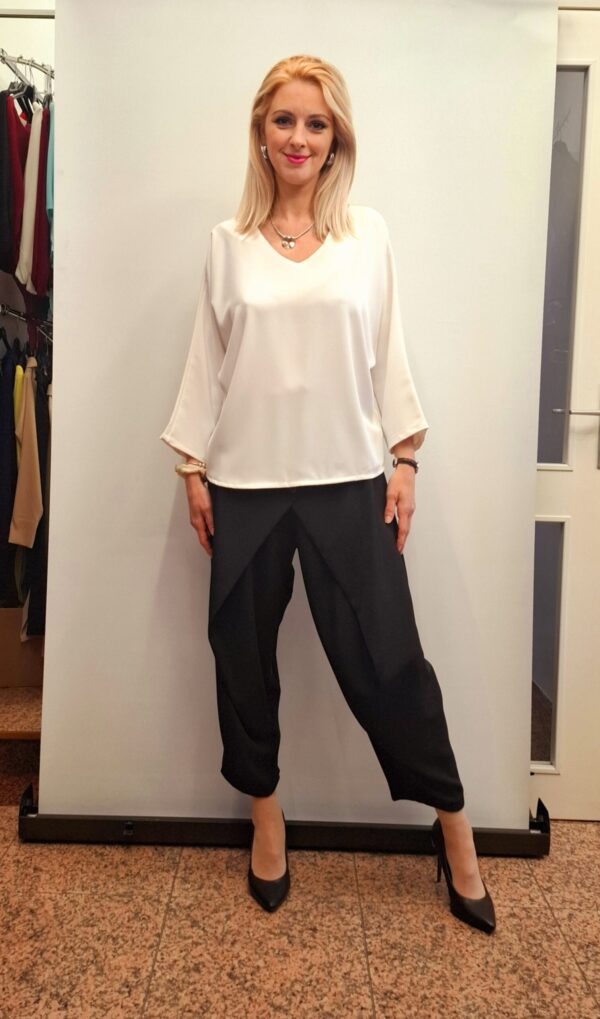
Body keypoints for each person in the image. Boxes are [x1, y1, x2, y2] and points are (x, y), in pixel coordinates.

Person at [160, 54, 495, 933]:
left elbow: (389, 350)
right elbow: (207, 360)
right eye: (284, 120)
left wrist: (406, 459)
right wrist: (192, 467)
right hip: (244, 484)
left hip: (348, 481)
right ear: (260, 133)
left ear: (336, 138)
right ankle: (266, 817)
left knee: (390, 661)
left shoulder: (365, 236)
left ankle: (455, 828)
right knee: (240, 657)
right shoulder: (227, 244)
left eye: (316, 123)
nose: (299, 138)